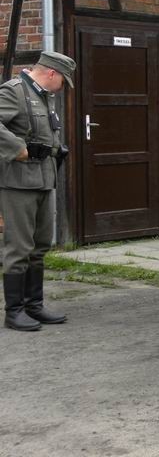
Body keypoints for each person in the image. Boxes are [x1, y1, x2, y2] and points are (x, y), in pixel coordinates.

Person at [0, 51, 75, 331]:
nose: (63, 87)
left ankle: (34, 305)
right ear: (52, 73)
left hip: (44, 178)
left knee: (40, 244)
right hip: (18, 181)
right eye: (63, 81)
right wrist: (17, 148)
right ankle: (14, 311)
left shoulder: (44, 95)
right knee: (19, 246)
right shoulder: (14, 91)